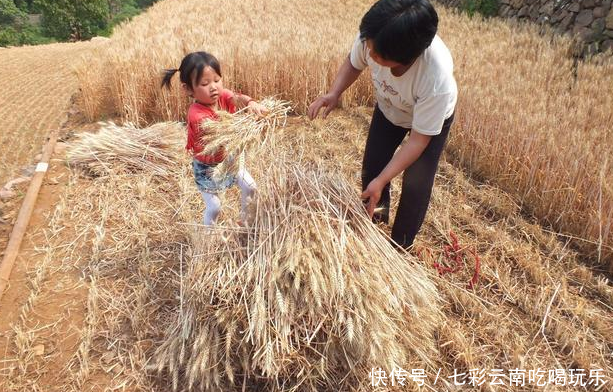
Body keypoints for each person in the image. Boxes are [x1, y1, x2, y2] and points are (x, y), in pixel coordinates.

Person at [308, 0, 457, 249]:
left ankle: (400, 246)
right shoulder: (375, 35)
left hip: (428, 122)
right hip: (390, 107)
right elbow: (354, 63)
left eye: (379, 56)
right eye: (369, 47)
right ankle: (374, 224)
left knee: (416, 183)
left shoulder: (434, 78)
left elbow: (418, 141)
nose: (370, 55)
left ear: (407, 57)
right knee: (373, 168)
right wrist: (334, 93)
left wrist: (384, 178)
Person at [162, 51, 268, 226]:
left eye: (217, 80)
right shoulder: (196, 115)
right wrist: (245, 129)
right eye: (205, 83)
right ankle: (208, 237)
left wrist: (251, 103)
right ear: (188, 89)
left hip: (229, 159)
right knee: (214, 207)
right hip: (208, 167)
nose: (213, 87)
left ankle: (244, 220)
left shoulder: (223, 96)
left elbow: (237, 98)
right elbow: (217, 135)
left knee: (251, 187)